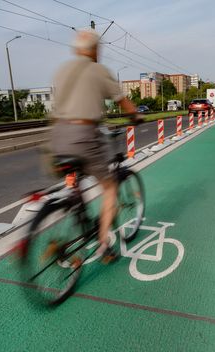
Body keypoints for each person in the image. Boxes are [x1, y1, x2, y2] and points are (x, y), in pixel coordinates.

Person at [50, 29, 140, 263]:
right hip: (84, 135)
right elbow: (122, 100)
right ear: (95, 50)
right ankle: (103, 247)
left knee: (76, 182)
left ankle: (74, 209)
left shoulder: (62, 70)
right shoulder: (98, 70)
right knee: (109, 188)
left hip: (58, 136)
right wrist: (135, 117)